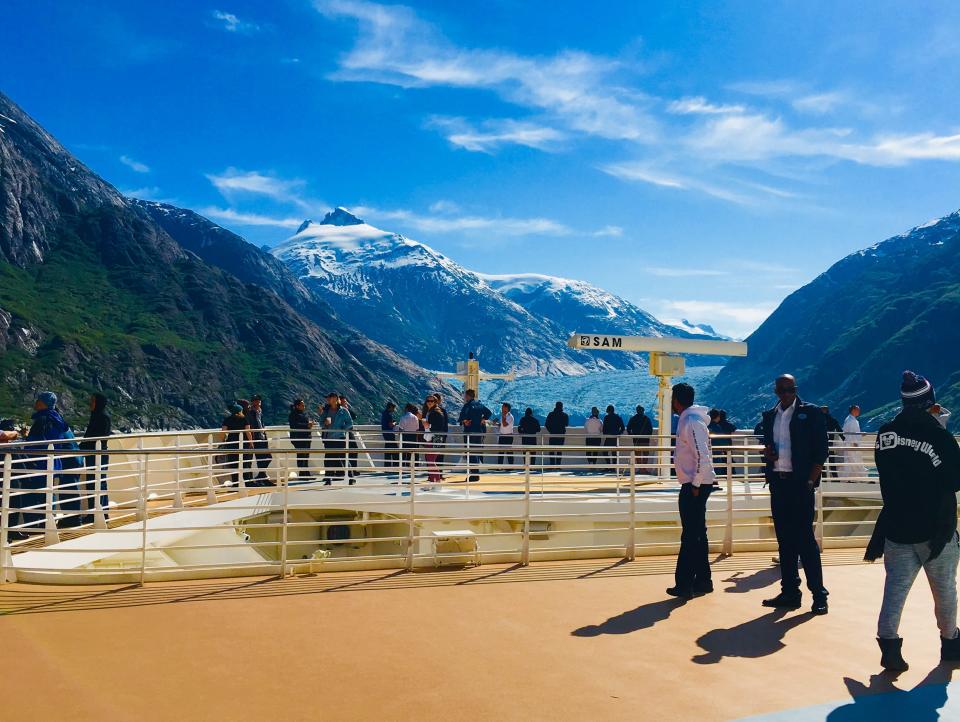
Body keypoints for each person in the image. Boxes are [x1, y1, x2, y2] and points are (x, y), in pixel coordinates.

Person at [866, 371, 960, 672]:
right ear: (930, 402)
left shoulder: (885, 434)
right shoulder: (939, 437)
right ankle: (951, 644)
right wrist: (940, 430)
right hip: (936, 530)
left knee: (894, 590)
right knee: (945, 590)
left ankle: (889, 647)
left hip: (896, 526)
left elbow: (886, 470)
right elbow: (954, 480)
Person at [760, 374, 830, 615]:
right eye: (781, 390)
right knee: (784, 540)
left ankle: (819, 594)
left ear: (796, 389)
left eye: (789, 390)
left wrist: (810, 480)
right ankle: (790, 592)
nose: (785, 394)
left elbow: (821, 451)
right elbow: (768, 446)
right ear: (776, 391)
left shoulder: (811, 414)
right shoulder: (770, 416)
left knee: (805, 541)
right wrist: (768, 457)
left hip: (801, 485)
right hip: (779, 484)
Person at [667, 383, 717, 599]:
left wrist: (696, 483)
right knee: (698, 533)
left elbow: (701, 455)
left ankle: (684, 584)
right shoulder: (691, 419)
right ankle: (703, 580)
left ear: (676, 400)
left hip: (694, 485)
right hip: (696, 483)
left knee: (690, 535)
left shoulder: (690, 421)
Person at [15, 392, 70, 536]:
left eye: (38, 400)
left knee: (32, 495)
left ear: (43, 403)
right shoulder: (57, 418)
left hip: (39, 464)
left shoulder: (43, 419)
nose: (36, 402)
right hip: (53, 462)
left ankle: (34, 526)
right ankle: (46, 524)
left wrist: (26, 439)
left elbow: (36, 443)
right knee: (47, 494)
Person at [79, 393, 111, 522]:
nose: (90, 403)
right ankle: (99, 512)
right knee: (95, 483)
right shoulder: (97, 416)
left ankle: (99, 513)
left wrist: (81, 447)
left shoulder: (102, 417)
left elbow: (96, 436)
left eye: (93, 401)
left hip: (98, 454)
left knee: (98, 483)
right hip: (94, 454)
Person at [457, 389, 491, 482]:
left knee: (470, 452)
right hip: (479, 432)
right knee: (476, 452)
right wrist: (483, 419)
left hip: (470, 432)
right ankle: (476, 473)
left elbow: (462, 417)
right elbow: (489, 413)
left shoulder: (467, 405)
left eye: (465, 396)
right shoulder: (480, 404)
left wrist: (464, 421)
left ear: (468, 396)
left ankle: (474, 474)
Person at [322, 392, 354, 484]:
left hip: (340, 437)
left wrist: (342, 429)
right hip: (329, 438)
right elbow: (321, 422)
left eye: (330, 398)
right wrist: (325, 423)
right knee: (328, 459)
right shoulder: (326, 411)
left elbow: (350, 423)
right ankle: (328, 479)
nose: (328, 400)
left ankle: (351, 477)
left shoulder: (343, 411)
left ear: (335, 399)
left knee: (343, 457)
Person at [221, 403, 251, 487]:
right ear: (240, 411)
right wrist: (251, 442)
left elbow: (223, 432)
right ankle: (247, 483)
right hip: (243, 444)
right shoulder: (244, 419)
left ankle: (235, 484)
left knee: (233, 464)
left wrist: (223, 441)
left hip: (232, 443)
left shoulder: (227, 419)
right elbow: (248, 432)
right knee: (245, 463)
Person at [247, 395, 273, 486]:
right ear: (253, 402)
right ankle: (262, 478)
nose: (258, 402)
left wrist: (265, 434)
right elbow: (249, 425)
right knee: (261, 458)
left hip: (262, 437)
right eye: (256, 400)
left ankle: (261, 476)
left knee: (268, 457)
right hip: (256, 438)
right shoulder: (250, 413)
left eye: (259, 400)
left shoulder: (260, 412)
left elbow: (262, 424)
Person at [288, 399, 314, 480]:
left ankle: (306, 473)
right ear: (297, 406)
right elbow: (294, 425)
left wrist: (309, 424)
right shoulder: (293, 414)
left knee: (306, 456)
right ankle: (302, 474)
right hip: (299, 438)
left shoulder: (303, 414)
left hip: (306, 437)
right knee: (301, 456)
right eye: (302, 405)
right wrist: (307, 425)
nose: (304, 406)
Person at [423, 396, 446, 485]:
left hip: (435, 438)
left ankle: (437, 481)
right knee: (430, 460)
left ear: (435, 402)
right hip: (432, 438)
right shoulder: (431, 411)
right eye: (428, 400)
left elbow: (440, 426)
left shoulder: (436, 412)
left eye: (432, 401)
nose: (429, 402)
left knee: (431, 460)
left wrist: (429, 425)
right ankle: (434, 481)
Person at [627, 405, 653, 474]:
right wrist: (648, 436)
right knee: (645, 455)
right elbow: (650, 430)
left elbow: (628, 428)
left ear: (637, 411)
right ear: (643, 411)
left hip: (636, 440)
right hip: (645, 440)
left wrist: (632, 436)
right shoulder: (647, 418)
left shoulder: (633, 418)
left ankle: (640, 469)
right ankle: (643, 469)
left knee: (638, 455)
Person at [843, 405, 867, 479]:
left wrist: (860, 434)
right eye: (858, 410)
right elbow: (850, 433)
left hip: (851, 444)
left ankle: (854, 477)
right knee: (855, 461)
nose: (859, 411)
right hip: (853, 445)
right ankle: (860, 477)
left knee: (852, 461)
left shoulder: (850, 419)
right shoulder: (851, 420)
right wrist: (855, 443)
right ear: (853, 410)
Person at [819, 406, 844, 479]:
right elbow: (840, 431)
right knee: (832, 462)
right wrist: (844, 439)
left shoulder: (818, 420)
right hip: (830, 445)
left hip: (821, 445)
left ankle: (824, 478)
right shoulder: (833, 420)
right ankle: (835, 478)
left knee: (821, 462)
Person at [339, 394, 359, 481]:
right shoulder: (339, 411)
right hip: (343, 434)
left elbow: (354, 416)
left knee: (354, 449)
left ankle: (353, 469)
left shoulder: (346, 410)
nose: (345, 403)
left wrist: (347, 408)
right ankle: (345, 471)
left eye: (346, 401)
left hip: (350, 433)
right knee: (344, 452)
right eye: (344, 401)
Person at [544, 402, 569, 469]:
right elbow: (566, 424)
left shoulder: (551, 414)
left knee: (551, 450)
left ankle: (552, 465)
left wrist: (551, 431)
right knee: (559, 450)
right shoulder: (565, 415)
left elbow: (546, 424)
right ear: (562, 407)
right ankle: (558, 465)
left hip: (552, 434)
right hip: (561, 435)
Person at [398, 403, 421, 467]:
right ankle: (408, 467)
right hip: (413, 437)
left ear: (407, 409)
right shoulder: (415, 418)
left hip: (405, 436)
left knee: (403, 453)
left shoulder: (403, 417)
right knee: (410, 454)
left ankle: (402, 467)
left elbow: (400, 429)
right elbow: (417, 430)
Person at [602, 405, 625, 469]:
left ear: (608, 411)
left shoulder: (606, 417)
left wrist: (605, 433)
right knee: (614, 453)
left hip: (608, 437)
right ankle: (613, 467)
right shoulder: (618, 417)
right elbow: (623, 428)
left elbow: (604, 428)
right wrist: (618, 433)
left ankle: (609, 466)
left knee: (605, 452)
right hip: (615, 437)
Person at [495, 402, 515, 468]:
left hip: (508, 436)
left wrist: (503, 416)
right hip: (502, 435)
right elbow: (501, 425)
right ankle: (499, 467)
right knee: (500, 452)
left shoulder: (510, 416)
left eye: (503, 407)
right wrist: (495, 423)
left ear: (506, 408)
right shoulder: (503, 416)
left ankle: (510, 467)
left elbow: (505, 424)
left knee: (509, 452)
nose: (501, 408)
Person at [381, 402, 399, 471]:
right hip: (390, 434)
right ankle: (396, 467)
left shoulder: (384, 413)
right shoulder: (388, 415)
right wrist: (395, 423)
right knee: (395, 451)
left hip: (385, 434)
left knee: (388, 450)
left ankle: (387, 467)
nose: (394, 410)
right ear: (390, 407)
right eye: (393, 408)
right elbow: (391, 425)